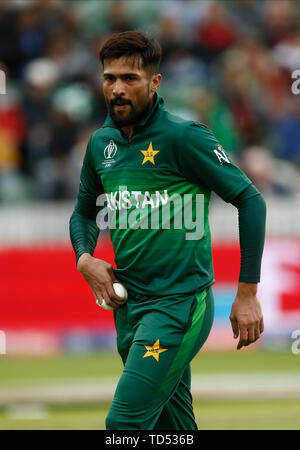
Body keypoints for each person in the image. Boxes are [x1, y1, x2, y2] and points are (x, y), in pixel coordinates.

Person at [69, 30, 266, 430]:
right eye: (110, 78)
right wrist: (84, 259)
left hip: (179, 306)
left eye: (130, 78)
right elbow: (84, 214)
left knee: (123, 425)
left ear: (155, 82)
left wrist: (246, 295)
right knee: (173, 429)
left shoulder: (184, 137)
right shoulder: (100, 144)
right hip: (129, 309)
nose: (118, 89)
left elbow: (251, 200)